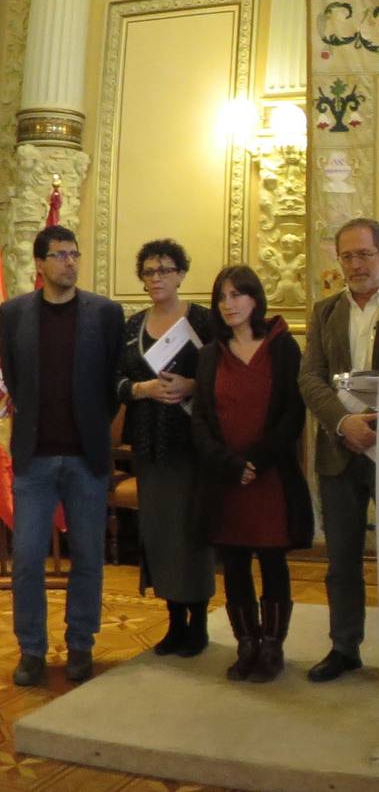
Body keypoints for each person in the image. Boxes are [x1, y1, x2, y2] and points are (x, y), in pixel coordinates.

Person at [0, 226, 124, 686]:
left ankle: (80, 645)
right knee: (28, 558)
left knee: (88, 557)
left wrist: (92, 424)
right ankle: (31, 650)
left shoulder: (106, 313)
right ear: (39, 264)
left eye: (75, 254)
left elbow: (113, 384)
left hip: (85, 458)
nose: (70, 262)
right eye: (59, 255)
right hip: (34, 458)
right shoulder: (11, 315)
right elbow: (12, 377)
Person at [191, 265, 313, 683]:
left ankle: (273, 646)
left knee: (273, 560)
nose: (229, 304)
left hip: (270, 475)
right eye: (222, 297)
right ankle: (247, 643)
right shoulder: (210, 353)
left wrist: (256, 462)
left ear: (255, 299)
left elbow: (291, 414)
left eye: (237, 295)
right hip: (226, 479)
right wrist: (229, 464)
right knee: (236, 562)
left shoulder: (282, 347)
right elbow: (202, 420)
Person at [299, 218, 379, 682]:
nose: (356, 265)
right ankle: (344, 647)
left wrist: (378, 424)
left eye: (364, 254)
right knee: (341, 560)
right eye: (347, 256)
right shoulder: (324, 312)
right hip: (339, 450)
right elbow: (310, 379)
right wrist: (344, 422)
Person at [115, 239, 214, 658]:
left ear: (181, 274)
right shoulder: (132, 326)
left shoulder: (205, 321)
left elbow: (227, 376)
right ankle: (174, 622)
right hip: (150, 448)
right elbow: (113, 382)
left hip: (193, 447)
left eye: (165, 270)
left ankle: (200, 623)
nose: (156, 278)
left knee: (192, 533)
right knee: (159, 535)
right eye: (149, 272)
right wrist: (142, 388)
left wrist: (193, 385)